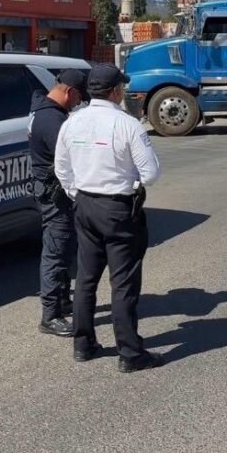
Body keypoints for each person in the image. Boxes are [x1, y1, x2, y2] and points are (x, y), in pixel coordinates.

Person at [54, 64, 163, 372]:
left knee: (86, 280)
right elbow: (151, 174)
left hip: (85, 205)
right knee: (123, 284)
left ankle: (83, 344)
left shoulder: (72, 122)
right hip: (118, 209)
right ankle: (129, 353)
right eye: (122, 89)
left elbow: (62, 169)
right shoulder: (127, 124)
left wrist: (79, 194)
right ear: (116, 92)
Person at [29, 69, 89, 337]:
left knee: (64, 248)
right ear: (68, 92)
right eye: (78, 98)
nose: (78, 103)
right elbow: (68, 157)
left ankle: (63, 301)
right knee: (55, 251)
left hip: (52, 190)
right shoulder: (52, 120)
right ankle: (50, 315)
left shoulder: (44, 110)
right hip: (55, 193)